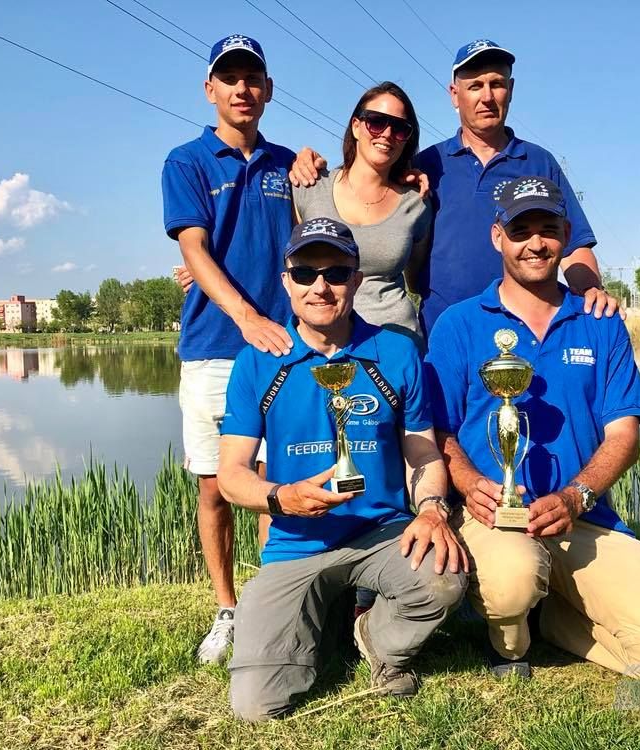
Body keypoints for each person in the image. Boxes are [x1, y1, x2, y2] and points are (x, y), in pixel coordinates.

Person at [425, 176, 640, 695]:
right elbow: (439, 431)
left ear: (564, 236)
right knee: (512, 581)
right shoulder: (459, 324)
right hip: (494, 518)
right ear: (498, 237)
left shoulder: (600, 321)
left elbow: (624, 434)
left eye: (547, 229)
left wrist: (577, 495)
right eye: (521, 230)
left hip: (582, 519)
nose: (535, 243)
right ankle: (510, 637)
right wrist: (468, 483)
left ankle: (555, 620)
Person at [217, 218, 468, 721]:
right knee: (256, 706)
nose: (320, 286)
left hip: (383, 533)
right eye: (305, 273)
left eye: (335, 272)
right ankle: (324, 623)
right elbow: (231, 474)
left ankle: (375, 637)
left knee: (445, 579)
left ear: (355, 280)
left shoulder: (396, 351)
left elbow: (421, 451)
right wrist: (280, 497)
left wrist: (433, 509)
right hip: (296, 544)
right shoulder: (259, 360)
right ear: (286, 280)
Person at [289, 39, 620, 334]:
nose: (487, 96)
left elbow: (574, 245)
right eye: (475, 86)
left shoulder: (539, 162)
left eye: (497, 84)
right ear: (454, 95)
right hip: (443, 335)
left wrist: (589, 290)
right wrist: (308, 162)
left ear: (511, 90)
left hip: (528, 330)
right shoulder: (428, 165)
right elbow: (369, 179)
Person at [161, 34, 295, 665]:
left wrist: (321, 167)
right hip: (216, 347)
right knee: (216, 484)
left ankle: (270, 603)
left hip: (285, 350)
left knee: (273, 480)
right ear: (210, 90)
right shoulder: (186, 161)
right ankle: (226, 607)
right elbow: (194, 249)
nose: (243, 89)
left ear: (267, 90)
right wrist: (245, 316)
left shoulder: (291, 166)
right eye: (230, 78)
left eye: (253, 78)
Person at [293, 82, 430, 348]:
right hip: (321, 347)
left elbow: (416, 281)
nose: (387, 134)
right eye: (376, 122)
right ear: (356, 126)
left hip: (397, 344)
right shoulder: (309, 185)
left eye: (400, 128)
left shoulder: (417, 203)